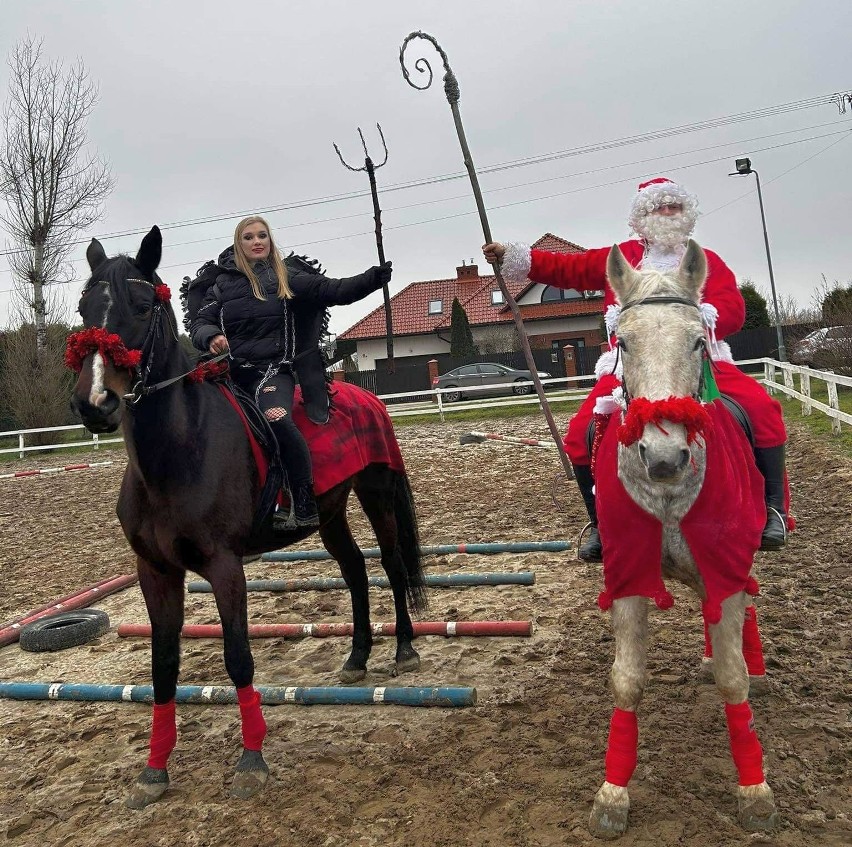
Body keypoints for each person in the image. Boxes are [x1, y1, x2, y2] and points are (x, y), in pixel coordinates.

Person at [483, 177, 789, 560]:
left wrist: (702, 317)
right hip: (628, 367)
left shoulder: (704, 262)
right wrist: (515, 256)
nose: (667, 214)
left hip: (699, 360)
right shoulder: (622, 258)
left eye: (673, 207)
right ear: (641, 217)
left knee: (763, 410)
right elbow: (567, 269)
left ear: (686, 214)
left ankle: (773, 509)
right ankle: (599, 523)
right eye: (658, 208)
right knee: (580, 433)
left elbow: (734, 308)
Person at [190, 215, 392, 529]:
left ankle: (303, 499)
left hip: (272, 373)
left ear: (269, 241)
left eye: (262, 236)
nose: (256, 242)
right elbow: (201, 322)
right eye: (249, 237)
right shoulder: (221, 284)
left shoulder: (287, 276)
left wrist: (372, 278)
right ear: (238, 243)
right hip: (232, 375)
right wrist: (211, 336)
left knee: (277, 419)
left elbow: (333, 290)